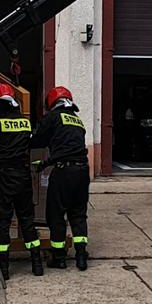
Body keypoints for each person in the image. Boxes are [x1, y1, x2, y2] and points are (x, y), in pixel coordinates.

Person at [0, 83, 42, 279]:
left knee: (3, 223)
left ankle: (3, 269)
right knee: (27, 220)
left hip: (5, 176)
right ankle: (37, 264)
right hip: (23, 176)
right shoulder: (24, 121)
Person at [32, 85, 91, 271]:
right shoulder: (76, 119)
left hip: (64, 172)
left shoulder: (53, 117)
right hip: (82, 172)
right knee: (78, 214)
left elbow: (38, 139)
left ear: (51, 102)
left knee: (56, 215)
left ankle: (59, 257)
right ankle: (81, 256)